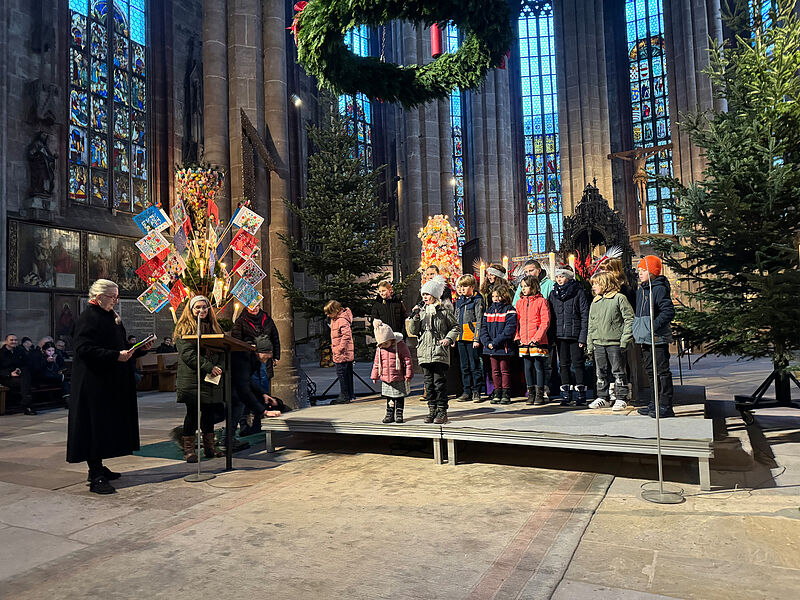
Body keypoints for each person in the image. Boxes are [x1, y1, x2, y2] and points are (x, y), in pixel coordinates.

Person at [66, 279, 153, 494]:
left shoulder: (111, 316)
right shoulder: (88, 318)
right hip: (92, 383)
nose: (116, 300)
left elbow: (120, 346)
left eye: (117, 296)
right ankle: (95, 476)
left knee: (104, 426)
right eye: (112, 296)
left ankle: (98, 466)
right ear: (98, 296)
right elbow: (83, 349)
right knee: (93, 427)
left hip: (108, 382)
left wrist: (139, 350)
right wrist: (116, 356)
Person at [174, 295, 225, 463]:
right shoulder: (184, 327)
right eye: (198, 307)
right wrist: (209, 367)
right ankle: (189, 450)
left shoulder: (214, 327)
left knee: (209, 414)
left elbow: (223, 349)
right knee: (193, 414)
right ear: (191, 309)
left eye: (205, 307)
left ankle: (210, 448)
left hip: (210, 379)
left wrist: (219, 367)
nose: (202, 310)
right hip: (192, 378)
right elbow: (188, 354)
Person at [406, 276, 458, 424]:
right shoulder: (421, 312)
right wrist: (415, 317)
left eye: (427, 294)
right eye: (423, 294)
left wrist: (448, 339)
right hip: (424, 352)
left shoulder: (444, 310)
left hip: (439, 351)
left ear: (434, 295)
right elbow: (413, 330)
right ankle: (432, 409)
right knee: (428, 384)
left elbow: (455, 327)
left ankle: (442, 411)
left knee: (439, 383)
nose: (425, 297)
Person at [633, 256, 676, 418]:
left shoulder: (658, 289)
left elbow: (668, 311)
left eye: (643, 270)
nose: (640, 273)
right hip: (645, 338)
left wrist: (653, 326)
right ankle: (654, 402)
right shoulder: (641, 290)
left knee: (662, 372)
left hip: (657, 338)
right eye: (639, 271)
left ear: (652, 271)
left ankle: (665, 404)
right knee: (651, 372)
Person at [230, 303, 281, 436]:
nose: (255, 308)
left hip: (258, 357)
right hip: (247, 355)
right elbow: (236, 340)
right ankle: (243, 425)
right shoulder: (241, 321)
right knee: (241, 401)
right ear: (247, 307)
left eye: (257, 305)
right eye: (252, 306)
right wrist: (250, 347)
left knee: (262, 386)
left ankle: (259, 423)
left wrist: (275, 355)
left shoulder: (266, 319)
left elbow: (275, 337)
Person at [587, 272, 634, 411]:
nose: (594, 287)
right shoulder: (595, 302)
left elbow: (629, 319)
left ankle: (621, 397)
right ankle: (603, 396)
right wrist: (590, 343)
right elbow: (591, 324)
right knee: (600, 371)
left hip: (614, 341)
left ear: (606, 283)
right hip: (598, 342)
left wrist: (625, 339)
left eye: (596, 283)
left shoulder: (619, 298)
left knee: (618, 371)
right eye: (593, 284)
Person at [549, 266, 590, 406]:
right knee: (564, 365)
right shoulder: (553, 294)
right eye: (557, 277)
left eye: (562, 276)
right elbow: (552, 316)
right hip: (560, 335)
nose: (559, 279)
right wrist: (552, 337)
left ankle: (581, 393)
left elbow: (585, 314)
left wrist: (583, 336)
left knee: (578, 364)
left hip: (575, 334)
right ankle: (566, 393)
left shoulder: (578, 292)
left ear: (568, 277)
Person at [480, 284, 518, 405]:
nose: (495, 298)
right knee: (494, 371)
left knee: (504, 370)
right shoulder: (488, 311)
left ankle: (506, 392)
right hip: (491, 347)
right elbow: (483, 328)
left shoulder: (509, 310)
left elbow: (509, 329)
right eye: (493, 296)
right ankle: (497, 391)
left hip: (503, 346)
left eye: (498, 296)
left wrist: (496, 342)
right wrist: (487, 342)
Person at [515, 276, 550, 405]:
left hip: (537, 340)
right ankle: (531, 393)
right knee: (527, 367)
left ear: (533, 286)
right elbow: (516, 322)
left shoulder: (541, 301)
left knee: (538, 366)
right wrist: (517, 337)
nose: (523, 289)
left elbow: (545, 321)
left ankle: (540, 393)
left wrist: (537, 338)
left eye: (526, 286)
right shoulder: (520, 302)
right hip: (524, 339)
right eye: (522, 286)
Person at [370, 319, 413, 424]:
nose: (384, 346)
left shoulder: (400, 345)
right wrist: (374, 376)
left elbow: (407, 360)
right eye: (381, 344)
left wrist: (408, 374)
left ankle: (399, 413)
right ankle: (389, 413)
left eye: (386, 343)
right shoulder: (380, 348)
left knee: (399, 396)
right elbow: (376, 363)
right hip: (386, 377)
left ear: (391, 339)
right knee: (389, 397)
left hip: (398, 376)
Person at [453, 274, 485, 403]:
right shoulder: (459, 300)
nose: (462, 289)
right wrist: (454, 337)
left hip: (472, 337)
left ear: (472, 287)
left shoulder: (477, 300)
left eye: (465, 286)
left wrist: (477, 338)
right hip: (461, 337)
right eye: (460, 286)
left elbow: (479, 319)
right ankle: (467, 391)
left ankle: (476, 390)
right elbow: (456, 318)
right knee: (464, 366)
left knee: (474, 365)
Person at [324, 300, 355, 404]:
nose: (327, 315)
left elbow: (346, 336)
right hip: (341, 352)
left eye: (329, 312)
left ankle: (345, 395)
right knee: (345, 374)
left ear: (335, 311)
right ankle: (348, 394)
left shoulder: (341, 320)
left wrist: (339, 349)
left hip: (343, 353)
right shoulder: (335, 319)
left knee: (342, 374)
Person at [0, 334, 34, 415]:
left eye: (15, 340)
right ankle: (26, 404)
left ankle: (26, 403)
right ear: (6, 341)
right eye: (11, 340)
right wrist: (10, 373)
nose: (14, 342)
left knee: (26, 374)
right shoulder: (1, 353)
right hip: (6, 377)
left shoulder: (20, 350)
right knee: (25, 381)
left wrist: (19, 369)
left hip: (19, 375)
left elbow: (26, 363)